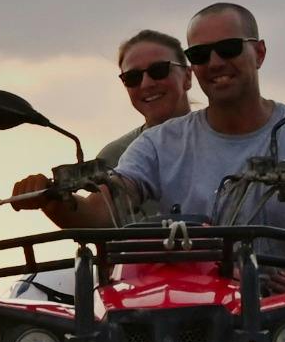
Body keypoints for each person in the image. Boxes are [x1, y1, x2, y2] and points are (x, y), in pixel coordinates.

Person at [68, 2, 285, 244]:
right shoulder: (157, 143)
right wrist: (54, 201)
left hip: (278, 312)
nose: (216, 62)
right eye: (201, 54)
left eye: (229, 48)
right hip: (179, 307)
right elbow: (100, 214)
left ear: (259, 52)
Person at [16, 26, 193, 223]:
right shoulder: (116, 155)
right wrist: (51, 199)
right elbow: (97, 216)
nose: (146, 84)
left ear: (188, 77)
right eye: (132, 78)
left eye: (159, 71)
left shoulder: (222, 136)